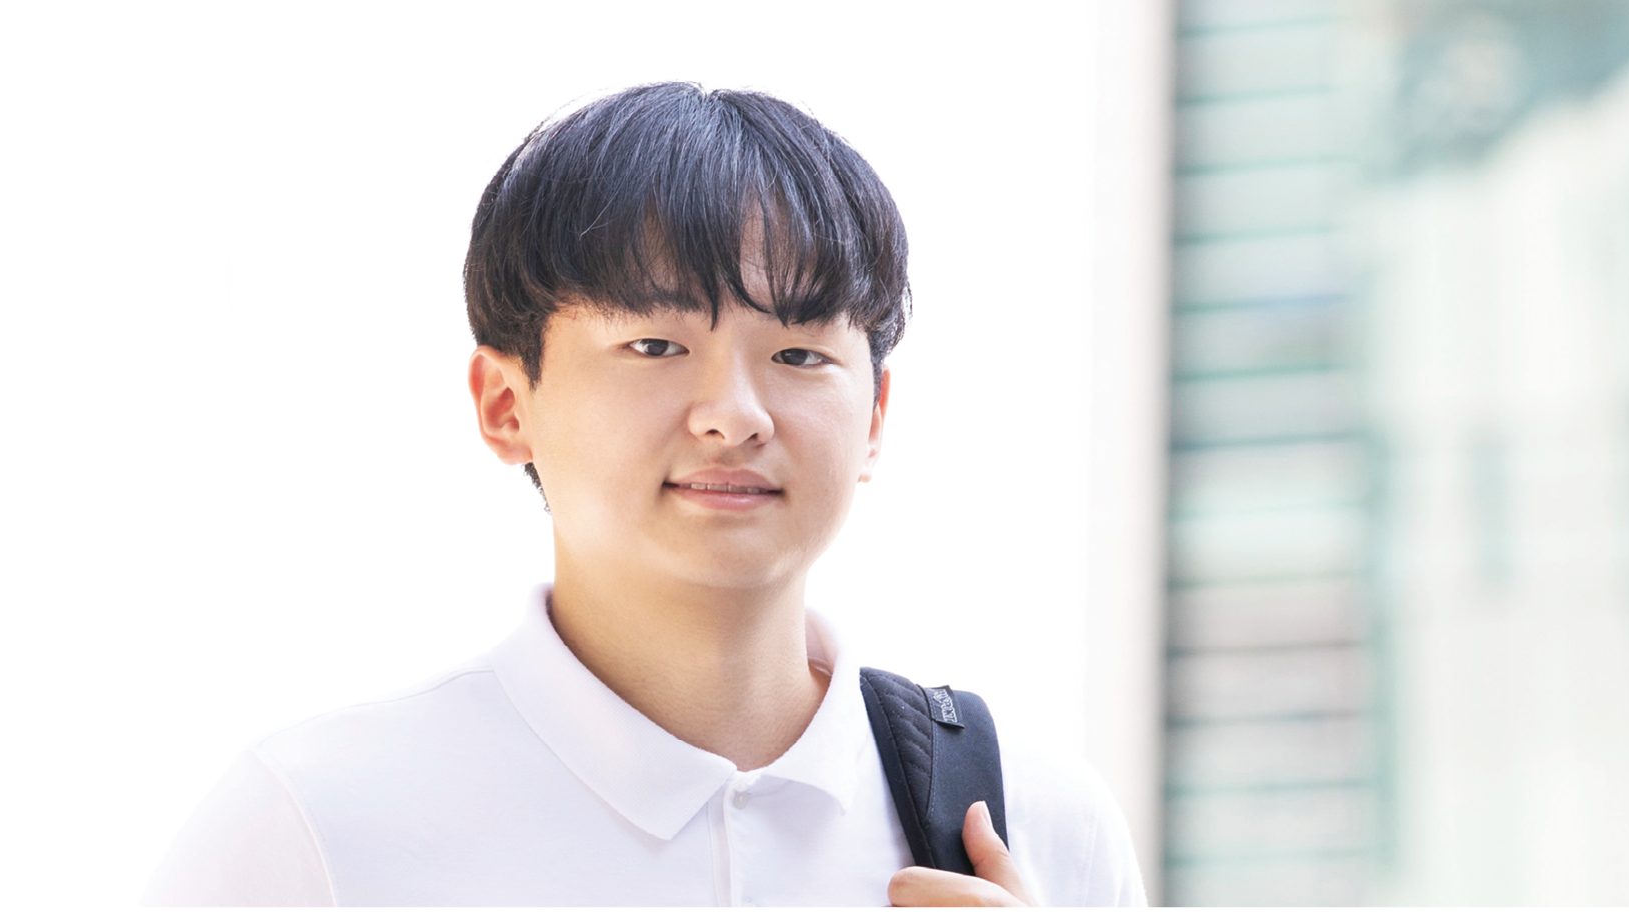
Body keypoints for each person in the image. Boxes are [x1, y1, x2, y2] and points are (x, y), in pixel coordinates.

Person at [142, 82, 1145, 907]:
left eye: (799, 354)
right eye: (656, 345)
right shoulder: (317, 826)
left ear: (875, 415)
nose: (735, 416)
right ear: (506, 403)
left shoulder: (1036, 821)